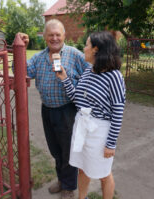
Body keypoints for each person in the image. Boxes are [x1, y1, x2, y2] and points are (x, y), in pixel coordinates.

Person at [18, 19, 90, 199]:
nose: (55, 38)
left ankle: (68, 187)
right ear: (44, 37)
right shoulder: (39, 57)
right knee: (55, 150)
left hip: (68, 110)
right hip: (47, 110)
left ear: (64, 36)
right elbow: (21, 71)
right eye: (51, 35)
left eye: (58, 34)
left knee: (68, 151)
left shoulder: (74, 55)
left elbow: (91, 73)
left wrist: (80, 89)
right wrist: (21, 50)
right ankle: (62, 180)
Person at [55, 31, 126, 199]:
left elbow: (118, 112)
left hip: (100, 132)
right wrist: (65, 78)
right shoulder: (89, 71)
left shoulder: (114, 77)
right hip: (82, 127)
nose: (84, 48)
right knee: (82, 167)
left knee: (103, 173)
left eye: (86, 44)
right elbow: (78, 100)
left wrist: (111, 144)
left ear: (95, 49)